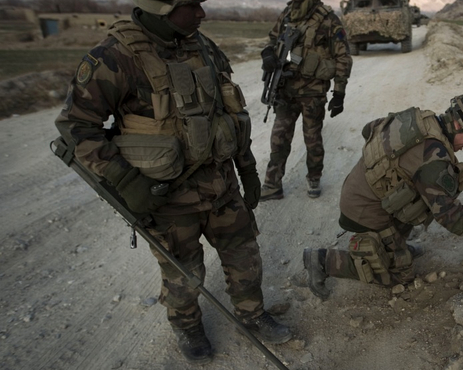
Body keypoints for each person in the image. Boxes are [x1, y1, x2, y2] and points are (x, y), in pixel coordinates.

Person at [54, 0, 291, 364]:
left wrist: (247, 171)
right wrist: (124, 180)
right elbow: (76, 127)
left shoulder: (204, 47)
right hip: (166, 198)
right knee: (183, 273)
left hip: (221, 186)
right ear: (160, 8)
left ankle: (252, 313)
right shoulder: (114, 57)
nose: (201, 13)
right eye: (191, 5)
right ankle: (187, 325)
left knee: (245, 255)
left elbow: (232, 114)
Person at [302, 93, 463, 299]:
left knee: (417, 199)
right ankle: (323, 260)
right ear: (460, 124)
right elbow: (451, 217)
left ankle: (394, 244)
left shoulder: (422, 120)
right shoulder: (434, 157)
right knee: (400, 275)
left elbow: (368, 129)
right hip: (364, 210)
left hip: (360, 189)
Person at [259, 0, 353, 200]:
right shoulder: (288, 13)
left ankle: (314, 177)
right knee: (279, 138)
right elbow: (273, 38)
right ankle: (272, 184)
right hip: (285, 89)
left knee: (312, 139)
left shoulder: (328, 19)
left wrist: (339, 93)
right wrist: (267, 53)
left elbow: (343, 56)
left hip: (313, 91)